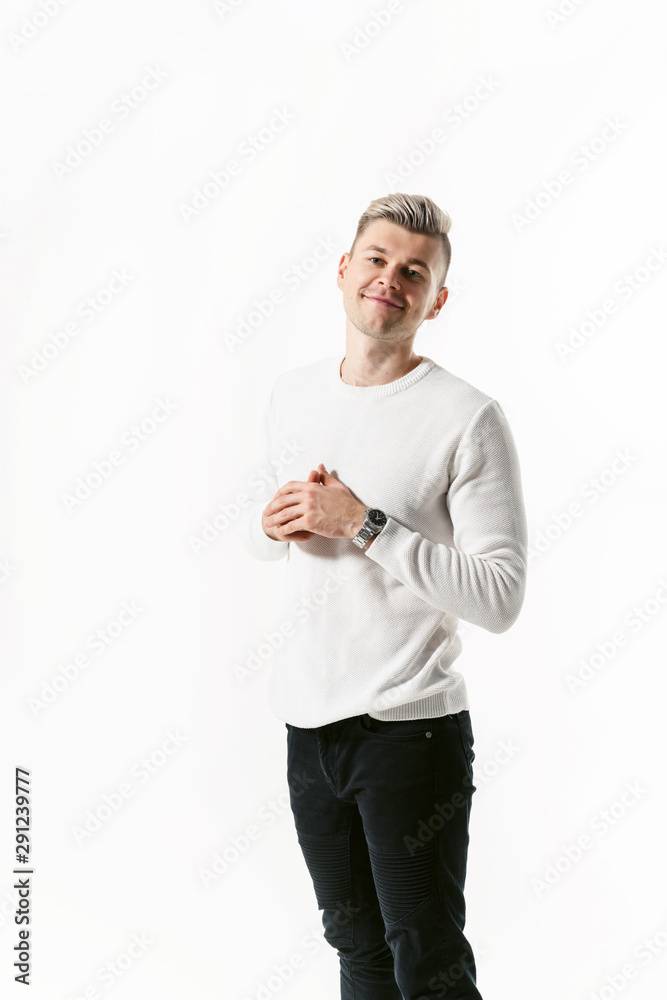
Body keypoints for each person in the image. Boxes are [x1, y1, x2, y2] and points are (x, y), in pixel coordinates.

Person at [238, 192, 527, 999]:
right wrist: (269, 527)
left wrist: (364, 524)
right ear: (342, 270)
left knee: (425, 961)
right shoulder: (291, 393)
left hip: (409, 732)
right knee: (355, 950)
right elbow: (260, 543)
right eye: (376, 259)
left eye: (413, 272)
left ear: (437, 300)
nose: (389, 280)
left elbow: (500, 597)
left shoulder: (466, 418)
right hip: (307, 726)